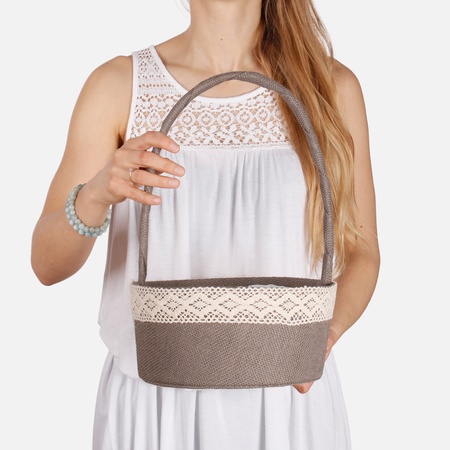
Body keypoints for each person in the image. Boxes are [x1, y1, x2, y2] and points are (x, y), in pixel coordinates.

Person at [31, 0, 380, 448]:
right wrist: (97, 193)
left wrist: (324, 336)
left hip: (288, 399)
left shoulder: (328, 86)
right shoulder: (119, 85)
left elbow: (362, 252)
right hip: (155, 403)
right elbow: (46, 265)